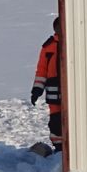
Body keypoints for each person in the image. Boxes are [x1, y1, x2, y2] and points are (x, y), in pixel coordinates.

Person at [30, 17, 63, 151]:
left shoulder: (75, 42)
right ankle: (59, 147)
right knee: (56, 120)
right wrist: (37, 90)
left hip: (72, 89)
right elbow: (42, 70)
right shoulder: (48, 47)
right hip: (53, 89)